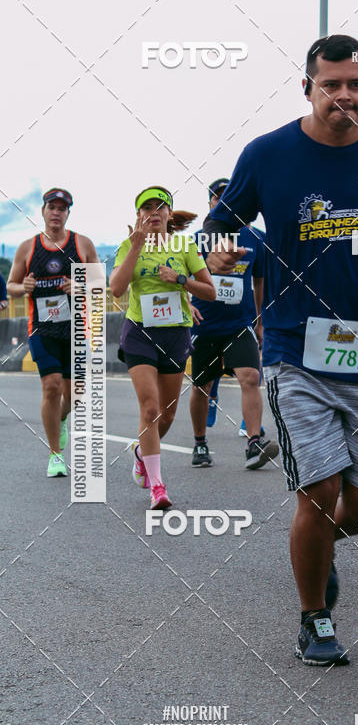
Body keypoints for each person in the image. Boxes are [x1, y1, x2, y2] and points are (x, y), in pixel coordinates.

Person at [201, 34, 358, 666]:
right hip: (294, 348)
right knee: (318, 490)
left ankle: (319, 547)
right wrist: (218, 250)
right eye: (332, 84)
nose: (345, 95)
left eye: (357, 85)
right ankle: (314, 619)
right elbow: (220, 223)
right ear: (308, 88)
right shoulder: (268, 154)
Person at [109, 185, 215, 509]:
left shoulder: (185, 246)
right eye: (147, 208)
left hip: (175, 333)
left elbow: (210, 292)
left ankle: (141, 453)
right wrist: (136, 247)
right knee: (150, 409)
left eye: (160, 207)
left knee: (167, 416)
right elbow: (117, 288)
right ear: (138, 215)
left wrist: (180, 280)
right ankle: (157, 487)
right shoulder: (128, 245)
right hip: (139, 332)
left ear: (169, 214)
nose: (153, 213)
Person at [6, 188, 99, 477]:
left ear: (68, 213)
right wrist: (23, 287)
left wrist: (80, 286)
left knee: (75, 395)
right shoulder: (28, 248)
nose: (56, 212)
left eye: (62, 208)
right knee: (51, 386)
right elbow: (11, 286)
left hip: (76, 330)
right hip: (42, 330)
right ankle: (55, 455)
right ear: (43, 211)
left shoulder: (82, 244)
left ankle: (61, 418)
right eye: (52, 207)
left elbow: (101, 284)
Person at [189, 177, 278, 469]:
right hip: (205, 324)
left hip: (240, 324)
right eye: (218, 197)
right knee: (202, 386)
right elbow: (178, 277)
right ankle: (200, 443)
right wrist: (186, 304)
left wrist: (260, 321)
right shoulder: (196, 240)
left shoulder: (254, 239)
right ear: (210, 204)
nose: (224, 202)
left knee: (251, 377)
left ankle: (254, 443)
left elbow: (259, 281)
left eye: (230, 197)